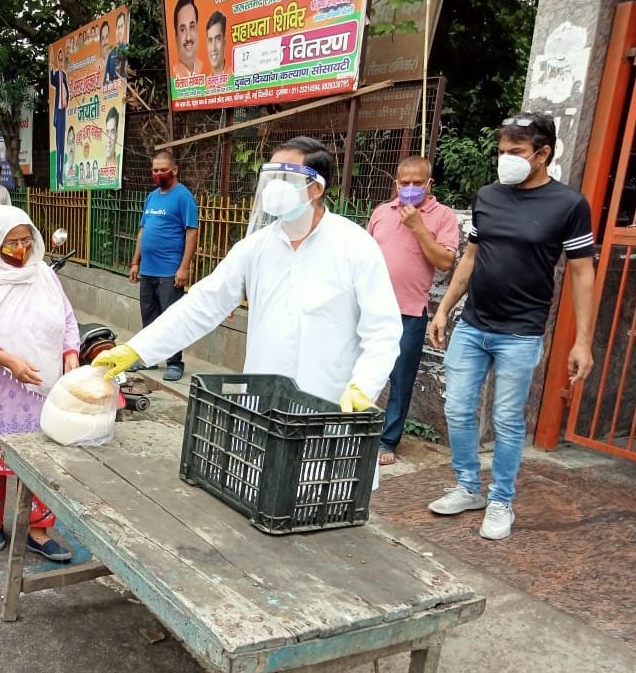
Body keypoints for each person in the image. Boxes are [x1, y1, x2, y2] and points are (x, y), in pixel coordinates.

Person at [95, 137, 402, 420]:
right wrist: (138, 348)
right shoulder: (256, 247)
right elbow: (203, 304)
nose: (275, 188)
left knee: (323, 477)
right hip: (263, 404)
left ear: (316, 188)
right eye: (272, 179)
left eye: (286, 179)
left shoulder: (354, 245)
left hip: (330, 403)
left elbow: (382, 329)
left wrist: (364, 385)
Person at [426, 113, 596, 541]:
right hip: (472, 324)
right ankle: (468, 487)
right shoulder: (489, 196)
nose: (507, 160)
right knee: (458, 411)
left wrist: (583, 342)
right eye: (502, 151)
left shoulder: (569, 205)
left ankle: (501, 499)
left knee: (506, 419)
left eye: (516, 152)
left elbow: (581, 273)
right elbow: (470, 257)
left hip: (520, 332)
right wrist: (445, 307)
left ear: (543, 154)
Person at [0, 205, 78, 561]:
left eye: (26, 239)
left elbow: (67, 318)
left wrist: (70, 351)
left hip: (43, 384)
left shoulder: (44, 276)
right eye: (11, 242)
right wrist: (6, 358)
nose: (20, 248)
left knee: (42, 458)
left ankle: (37, 530)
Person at [368, 156, 458, 466]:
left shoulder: (442, 216)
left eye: (417, 183)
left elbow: (445, 262)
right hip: (371, 308)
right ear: (396, 183)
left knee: (400, 378)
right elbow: (364, 256)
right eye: (404, 183)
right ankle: (352, 427)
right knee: (360, 371)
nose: (409, 189)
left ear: (429, 184)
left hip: (409, 311)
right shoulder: (381, 212)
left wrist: (419, 227)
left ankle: (387, 441)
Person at [127, 150, 199, 381]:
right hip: (147, 269)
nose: (158, 174)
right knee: (149, 317)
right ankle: (149, 358)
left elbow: (191, 232)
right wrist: (135, 261)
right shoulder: (152, 197)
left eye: (162, 170)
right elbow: (143, 230)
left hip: (170, 270)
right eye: (155, 170)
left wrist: (184, 267)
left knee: (171, 318)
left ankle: (175, 363)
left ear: (174, 170)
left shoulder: (183, 197)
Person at [49, 48, 71, 188]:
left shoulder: (64, 74)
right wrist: (51, 64)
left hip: (63, 113)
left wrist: (66, 100)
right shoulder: (57, 75)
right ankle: (57, 178)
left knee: (62, 146)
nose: (61, 61)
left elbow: (67, 91)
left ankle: (61, 178)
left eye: (63, 59)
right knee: (57, 147)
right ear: (58, 60)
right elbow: (52, 81)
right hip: (57, 114)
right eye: (59, 59)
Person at [172, 0, 204, 78]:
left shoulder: (206, 68)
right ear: (176, 37)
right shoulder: (173, 73)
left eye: (192, 27)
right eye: (182, 29)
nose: (188, 37)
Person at [104, 9, 129, 84]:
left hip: (123, 86)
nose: (120, 31)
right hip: (113, 91)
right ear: (115, 30)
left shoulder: (126, 48)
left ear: (124, 28)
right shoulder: (111, 53)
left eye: (121, 26)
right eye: (118, 27)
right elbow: (106, 77)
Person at [206, 11, 228, 76]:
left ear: (224, 42)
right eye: (210, 40)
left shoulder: (234, 77)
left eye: (218, 39)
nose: (213, 48)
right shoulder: (205, 84)